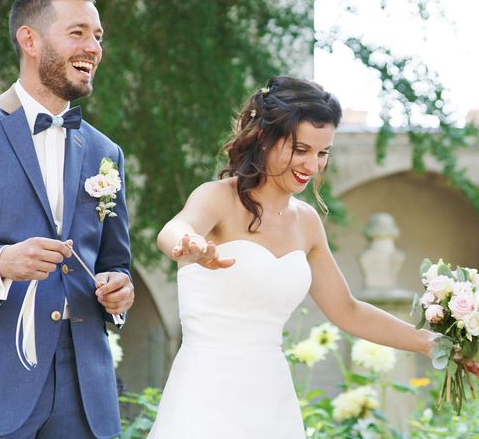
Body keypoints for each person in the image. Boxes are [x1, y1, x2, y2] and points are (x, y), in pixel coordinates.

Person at [151, 76, 435, 438]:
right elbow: (172, 230)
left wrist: (427, 342)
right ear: (265, 138)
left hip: (272, 398)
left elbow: (346, 310)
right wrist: (188, 243)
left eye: (322, 153)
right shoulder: (217, 198)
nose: (312, 165)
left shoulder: (307, 222)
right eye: (300, 150)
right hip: (205, 390)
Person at [0, 0, 134, 438]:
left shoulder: (105, 151)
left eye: (98, 36)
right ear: (29, 40)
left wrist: (120, 287)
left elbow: (114, 260)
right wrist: (1, 263)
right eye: (78, 33)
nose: (93, 47)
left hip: (84, 399)